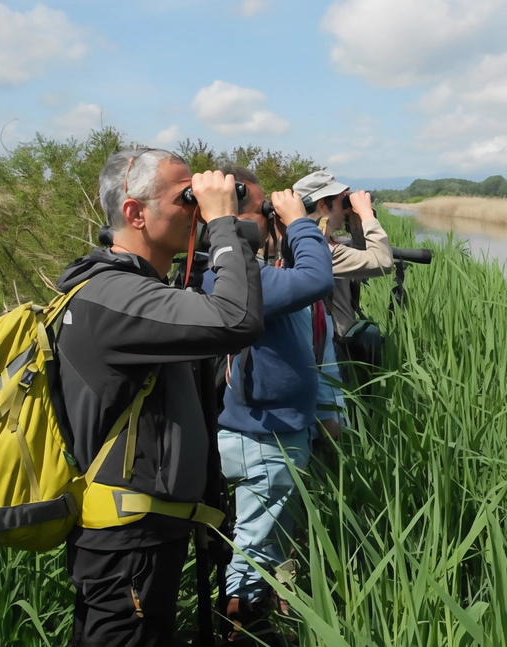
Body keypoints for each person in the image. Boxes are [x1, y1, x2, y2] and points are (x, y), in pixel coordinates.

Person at [53, 148, 264, 646]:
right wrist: (224, 226)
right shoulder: (114, 297)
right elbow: (237, 320)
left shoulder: (139, 290)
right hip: (126, 548)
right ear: (135, 213)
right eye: (185, 197)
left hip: (146, 536)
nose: (197, 208)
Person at [202, 165, 334, 642]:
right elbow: (319, 280)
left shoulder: (242, 277)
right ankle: (241, 630)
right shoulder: (242, 281)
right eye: (264, 210)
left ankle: (262, 612)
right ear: (235, 219)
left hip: (268, 432)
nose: (271, 217)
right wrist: (299, 220)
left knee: (262, 535)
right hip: (264, 438)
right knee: (252, 545)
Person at [293, 171, 393, 437]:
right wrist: (367, 214)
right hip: (332, 350)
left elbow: (359, 255)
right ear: (324, 206)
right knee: (336, 425)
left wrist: (356, 220)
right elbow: (381, 262)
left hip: (319, 347)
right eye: (341, 202)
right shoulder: (320, 250)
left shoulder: (300, 242)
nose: (345, 207)